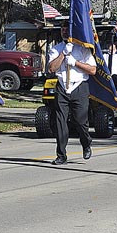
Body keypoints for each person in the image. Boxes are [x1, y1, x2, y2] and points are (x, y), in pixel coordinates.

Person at [46, 28, 96, 165]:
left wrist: (75, 63)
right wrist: (63, 54)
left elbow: (93, 70)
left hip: (79, 86)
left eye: (68, 29)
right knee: (60, 122)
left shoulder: (83, 49)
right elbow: (51, 68)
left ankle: (86, 143)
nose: (65, 32)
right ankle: (61, 155)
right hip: (62, 86)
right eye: (63, 30)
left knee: (80, 122)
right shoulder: (56, 49)